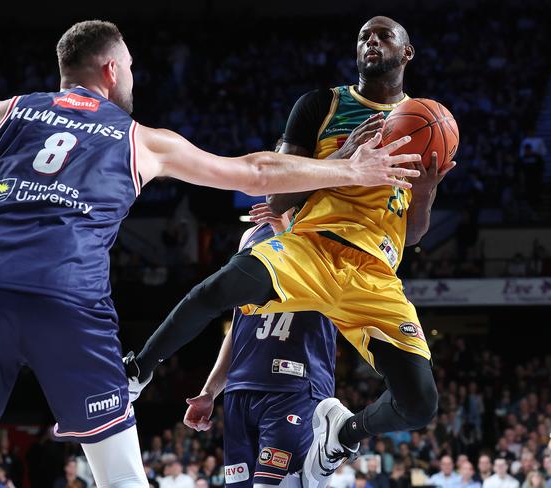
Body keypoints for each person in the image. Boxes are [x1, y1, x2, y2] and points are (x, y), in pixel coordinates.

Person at [0, 20, 419, 488]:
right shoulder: (141, 138)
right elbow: (256, 173)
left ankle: (146, 368)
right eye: (133, 69)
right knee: (120, 477)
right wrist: (347, 167)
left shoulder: (11, 110)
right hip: (69, 303)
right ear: (113, 70)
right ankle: (139, 369)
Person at [127, 15, 455, 488]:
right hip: (311, 249)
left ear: (407, 52)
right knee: (216, 290)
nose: (371, 41)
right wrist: (344, 160)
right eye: (364, 35)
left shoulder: (424, 122)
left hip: (376, 273)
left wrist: (427, 189)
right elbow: (276, 200)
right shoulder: (322, 106)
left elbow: (414, 233)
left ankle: (344, 432)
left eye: (384, 35)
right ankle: (139, 370)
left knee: (419, 404)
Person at [183, 205, 337, 487]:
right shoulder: (251, 235)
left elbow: (324, 288)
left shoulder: (331, 224)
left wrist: (284, 232)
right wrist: (210, 390)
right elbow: (238, 323)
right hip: (241, 390)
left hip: (296, 385)